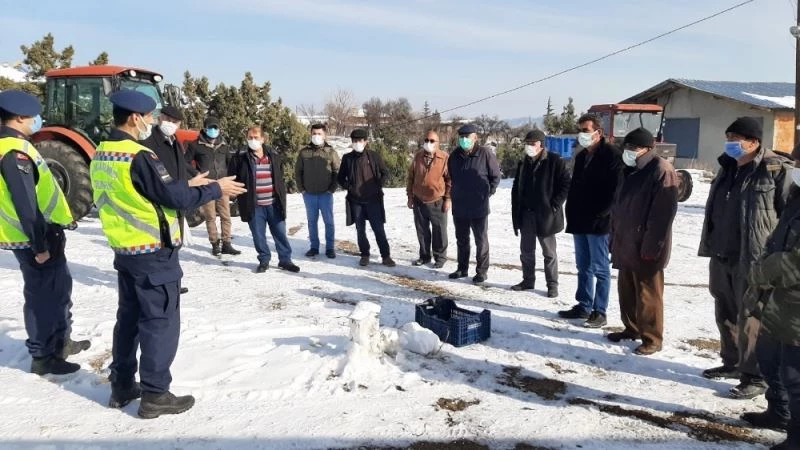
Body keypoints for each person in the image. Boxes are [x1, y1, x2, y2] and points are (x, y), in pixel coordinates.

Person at [90, 90, 246, 418]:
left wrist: (190, 185)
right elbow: (172, 197)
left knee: (129, 320)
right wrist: (216, 188)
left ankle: (121, 385)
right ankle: (156, 394)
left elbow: (146, 193)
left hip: (126, 250)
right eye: (148, 116)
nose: (150, 122)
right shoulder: (139, 155)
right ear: (135, 118)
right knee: (160, 321)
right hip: (153, 254)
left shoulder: (103, 152)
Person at [698, 117, 793, 399]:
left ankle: (756, 376)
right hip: (722, 253)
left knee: (752, 317)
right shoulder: (726, 168)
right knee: (725, 310)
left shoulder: (774, 170)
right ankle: (733, 362)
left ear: (754, 142)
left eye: (737, 138)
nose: (730, 143)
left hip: (755, 258)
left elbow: (789, 215)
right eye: (728, 136)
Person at [0, 90, 90, 376]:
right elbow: (25, 204)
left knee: (59, 288)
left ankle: (61, 341)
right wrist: (39, 245)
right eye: (33, 116)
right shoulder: (14, 151)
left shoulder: (16, 145)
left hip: (43, 233)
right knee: (42, 296)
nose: (38, 120)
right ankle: (43, 355)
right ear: (20, 117)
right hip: (33, 237)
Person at [739, 144, 800, 447]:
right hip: (779, 301)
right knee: (770, 359)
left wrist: (762, 272)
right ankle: (779, 412)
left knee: (795, 375)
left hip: (795, 305)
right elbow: (776, 239)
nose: (796, 169)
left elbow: (795, 261)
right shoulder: (796, 199)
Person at [608, 128, 678, 355]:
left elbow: (662, 216)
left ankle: (652, 338)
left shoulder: (661, 171)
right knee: (626, 290)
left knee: (648, 294)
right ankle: (632, 328)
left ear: (648, 149)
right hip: (626, 242)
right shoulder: (629, 169)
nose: (628, 152)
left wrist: (652, 246)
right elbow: (619, 208)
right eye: (626, 147)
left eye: (633, 148)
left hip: (646, 246)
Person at [559, 114, 624, 328]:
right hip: (579, 220)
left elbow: (615, 190)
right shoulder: (581, 156)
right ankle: (584, 305)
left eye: (586, 130)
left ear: (598, 132)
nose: (582, 135)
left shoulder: (612, 155)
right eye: (581, 130)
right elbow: (575, 187)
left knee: (600, 267)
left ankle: (599, 310)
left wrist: (602, 214)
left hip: (598, 222)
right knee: (583, 266)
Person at [141, 106, 198, 294]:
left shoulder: (175, 142)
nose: (171, 125)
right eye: (168, 120)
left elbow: (182, 166)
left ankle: (173, 282)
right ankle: (163, 283)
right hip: (162, 202)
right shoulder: (149, 144)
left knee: (175, 244)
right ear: (160, 119)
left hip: (177, 200)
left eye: (175, 122)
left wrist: (197, 176)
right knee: (164, 245)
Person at [228, 126, 299, 273]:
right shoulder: (240, 159)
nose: (252, 141)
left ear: (263, 139)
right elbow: (232, 179)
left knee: (280, 234)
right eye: (250, 138)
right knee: (258, 236)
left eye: (256, 138)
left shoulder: (273, 156)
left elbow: (279, 179)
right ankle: (264, 260)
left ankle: (285, 260)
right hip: (254, 205)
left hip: (273, 204)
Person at [510, 129, 570, 297]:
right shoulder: (524, 163)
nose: (529, 146)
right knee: (526, 251)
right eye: (527, 143)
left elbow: (566, 184)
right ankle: (528, 280)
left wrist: (555, 205)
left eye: (532, 143)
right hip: (527, 214)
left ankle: (552, 284)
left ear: (541, 145)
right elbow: (516, 187)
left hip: (546, 216)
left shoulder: (554, 161)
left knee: (549, 253)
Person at [447, 124, 501, 283]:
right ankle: (462, 268)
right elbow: (452, 176)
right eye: (461, 137)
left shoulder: (485, 154)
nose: (464, 140)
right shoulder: (454, 156)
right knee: (462, 239)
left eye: (467, 137)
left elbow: (495, 177)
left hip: (479, 207)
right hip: (460, 206)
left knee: (481, 240)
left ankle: (481, 271)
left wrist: (487, 193)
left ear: (475, 138)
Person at [338, 128, 394, 267]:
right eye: (355, 141)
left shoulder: (374, 156)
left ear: (365, 142)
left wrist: (379, 185)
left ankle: (385, 256)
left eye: (360, 141)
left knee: (378, 229)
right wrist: (349, 187)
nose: (357, 143)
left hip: (373, 200)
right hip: (356, 201)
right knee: (360, 230)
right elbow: (340, 177)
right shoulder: (347, 158)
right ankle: (364, 254)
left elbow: (384, 173)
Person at [185, 115, 240, 256]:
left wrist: (232, 177)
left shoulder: (224, 146)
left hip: (223, 186)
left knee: (226, 216)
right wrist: (197, 174)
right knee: (210, 217)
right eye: (211, 128)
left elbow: (230, 163)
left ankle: (226, 243)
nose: (213, 130)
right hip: (207, 186)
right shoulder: (195, 146)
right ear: (205, 129)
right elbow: (185, 163)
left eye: (216, 128)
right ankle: (215, 243)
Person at [406, 130, 451, 268]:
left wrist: (448, 199)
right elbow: (411, 177)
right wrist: (410, 196)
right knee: (422, 230)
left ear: (438, 143)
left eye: (432, 141)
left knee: (439, 231)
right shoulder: (418, 156)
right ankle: (424, 256)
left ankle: (440, 258)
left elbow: (450, 180)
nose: (428, 143)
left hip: (437, 200)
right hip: (419, 200)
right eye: (426, 140)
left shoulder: (444, 158)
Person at [295, 123, 340, 259]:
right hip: (309, 194)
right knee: (312, 221)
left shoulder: (331, 152)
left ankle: (330, 248)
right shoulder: (304, 152)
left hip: (325, 194)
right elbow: (298, 172)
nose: (316, 136)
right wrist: (302, 189)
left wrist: (332, 189)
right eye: (314, 133)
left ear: (324, 135)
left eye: (319, 134)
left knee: (329, 222)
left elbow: (336, 172)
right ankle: (314, 247)